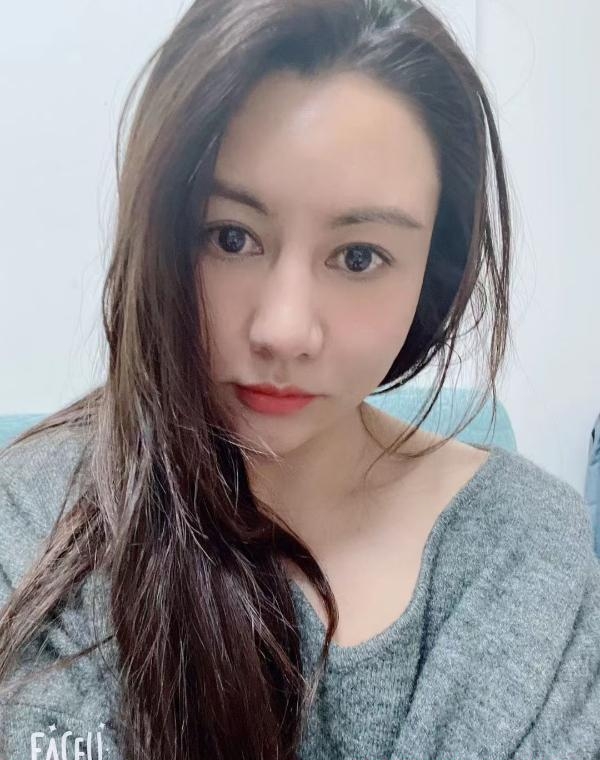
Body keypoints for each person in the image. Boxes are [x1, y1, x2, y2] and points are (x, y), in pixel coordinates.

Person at [1, 1, 599, 758]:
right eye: (230, 237)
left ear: (434, 272)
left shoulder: (524, 552)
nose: (283, 330)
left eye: (358, 257)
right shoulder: (42, 524)